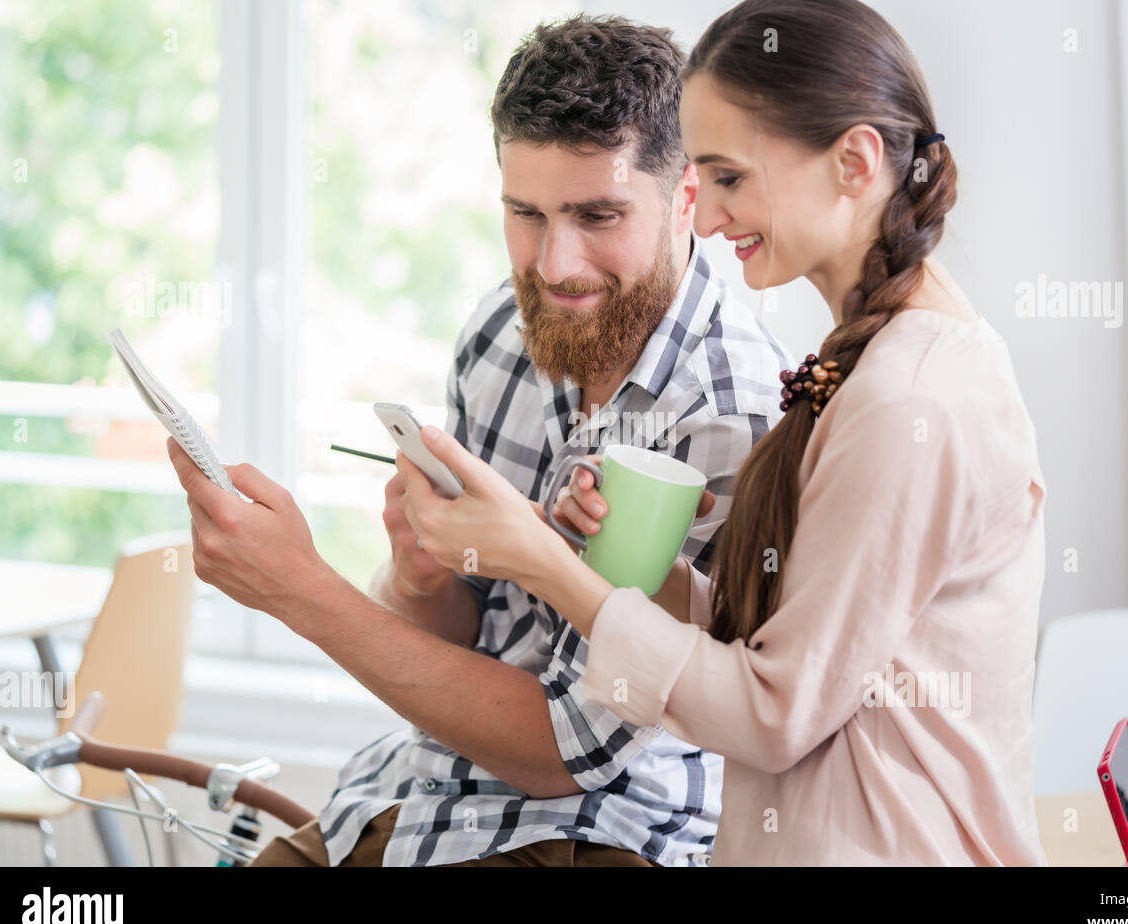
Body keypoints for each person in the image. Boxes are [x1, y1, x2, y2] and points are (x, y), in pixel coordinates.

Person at [391, 0, 1049, 865]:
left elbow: (772, 715)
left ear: (854, 163)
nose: (703, 218)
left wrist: (542, 564)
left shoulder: (909, 401)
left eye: (729, 178)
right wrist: (622, 565)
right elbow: (788, 647)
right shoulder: (868, 363)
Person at [168, 13, 792, 867]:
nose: (556, 264)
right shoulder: (504, 328)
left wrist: (302, 592)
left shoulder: (731, 417)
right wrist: (421, 576)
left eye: (598, 216)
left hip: (599, 830)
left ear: (686, 195)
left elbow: (569, 750)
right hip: (418, 791)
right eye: (525, 213)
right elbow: (460, 634)